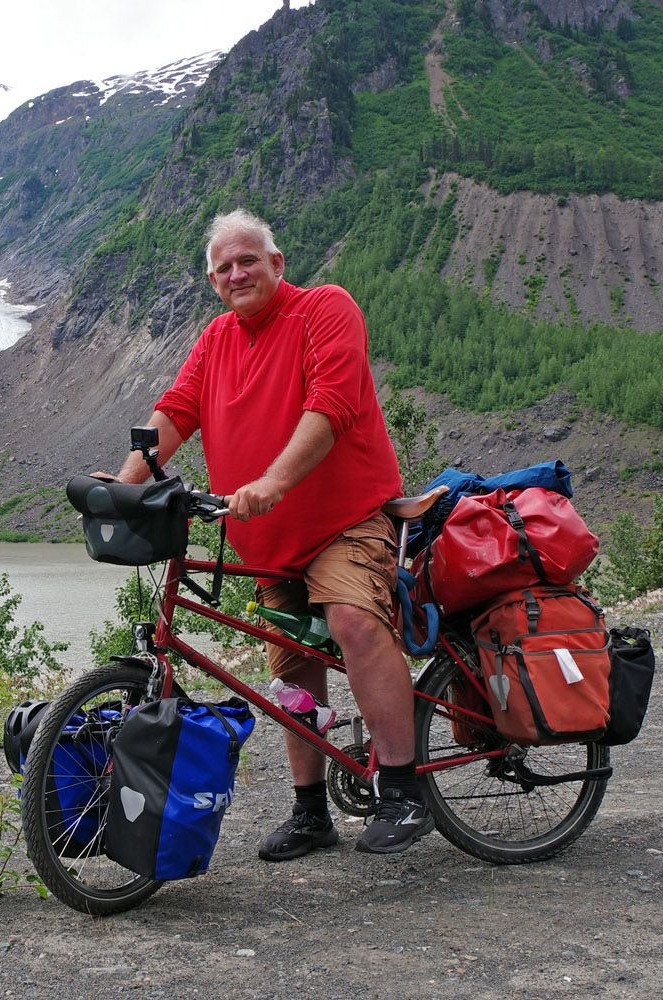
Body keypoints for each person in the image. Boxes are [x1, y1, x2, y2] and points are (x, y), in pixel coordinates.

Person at [111, 209, 433, 857]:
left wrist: (276, 480)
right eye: (224, 267)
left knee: (353, 622)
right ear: (213, 280)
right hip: (270, 543)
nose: (237, 273)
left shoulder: (324, 309)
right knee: (291, 669)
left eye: (248, 259)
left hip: (346, 522)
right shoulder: (217, 338)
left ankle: (402, 789)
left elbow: (333, 404)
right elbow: (176, 411)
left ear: (277, 264)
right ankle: (312, 812)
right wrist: (125, 487)